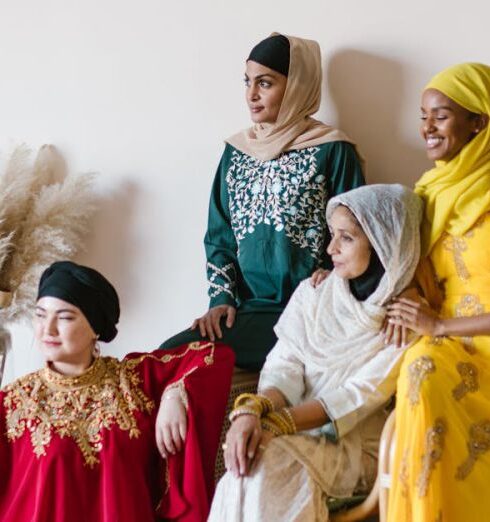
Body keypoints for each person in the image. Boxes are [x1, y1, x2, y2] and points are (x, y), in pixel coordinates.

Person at [207, 184, 423, 521]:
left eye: (346, 238)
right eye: (332, 235)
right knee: (243, 466)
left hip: (351, 445)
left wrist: (279, 424)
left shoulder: (401, 321)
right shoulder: (314, 291)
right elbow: (285, 362)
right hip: (287, 433)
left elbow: (357, 395)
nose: (330, 248)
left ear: (383, 245)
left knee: (264, 462)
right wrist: (253, 410)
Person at [160, 33, 365, 370]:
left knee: (188, 366)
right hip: (249, 311)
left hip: (311, 310)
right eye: (247, 82)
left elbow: (357, 233)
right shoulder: (236, 152)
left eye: (265, 83)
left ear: (298, 85)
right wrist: (221, 299)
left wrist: (331, 278)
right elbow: (219, 236)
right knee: (164, 361)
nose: (251, 95)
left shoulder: (332, 150)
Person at [0, 261, 235, 522]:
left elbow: (214, 356)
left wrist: (174, 393)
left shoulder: (135, 381)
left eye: (64, 317)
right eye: (41, 314)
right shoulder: (12, 403)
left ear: (95, 327)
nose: (48, 329)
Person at [386, 63, 490, 522]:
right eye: (423, 115)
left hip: (467, 334)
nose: (426, 127)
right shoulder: (427, 193)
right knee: (421, 369)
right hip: (451, 344)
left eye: (441, 115)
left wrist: (439, 324)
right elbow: (406, 272)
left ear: (479, 123)